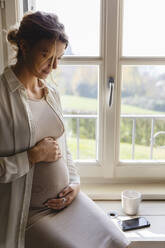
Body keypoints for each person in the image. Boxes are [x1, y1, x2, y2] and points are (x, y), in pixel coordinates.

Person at [0, 11, 130, 248]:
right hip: (27, 214)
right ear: (24, 46)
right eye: (46, 54)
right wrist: (32, 156)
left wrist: (74, 182)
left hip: (68, 203)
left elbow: (63, 148)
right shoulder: (1, 97)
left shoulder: (51, 93)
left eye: (58, 57)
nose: (54, 65)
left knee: (116, 241)